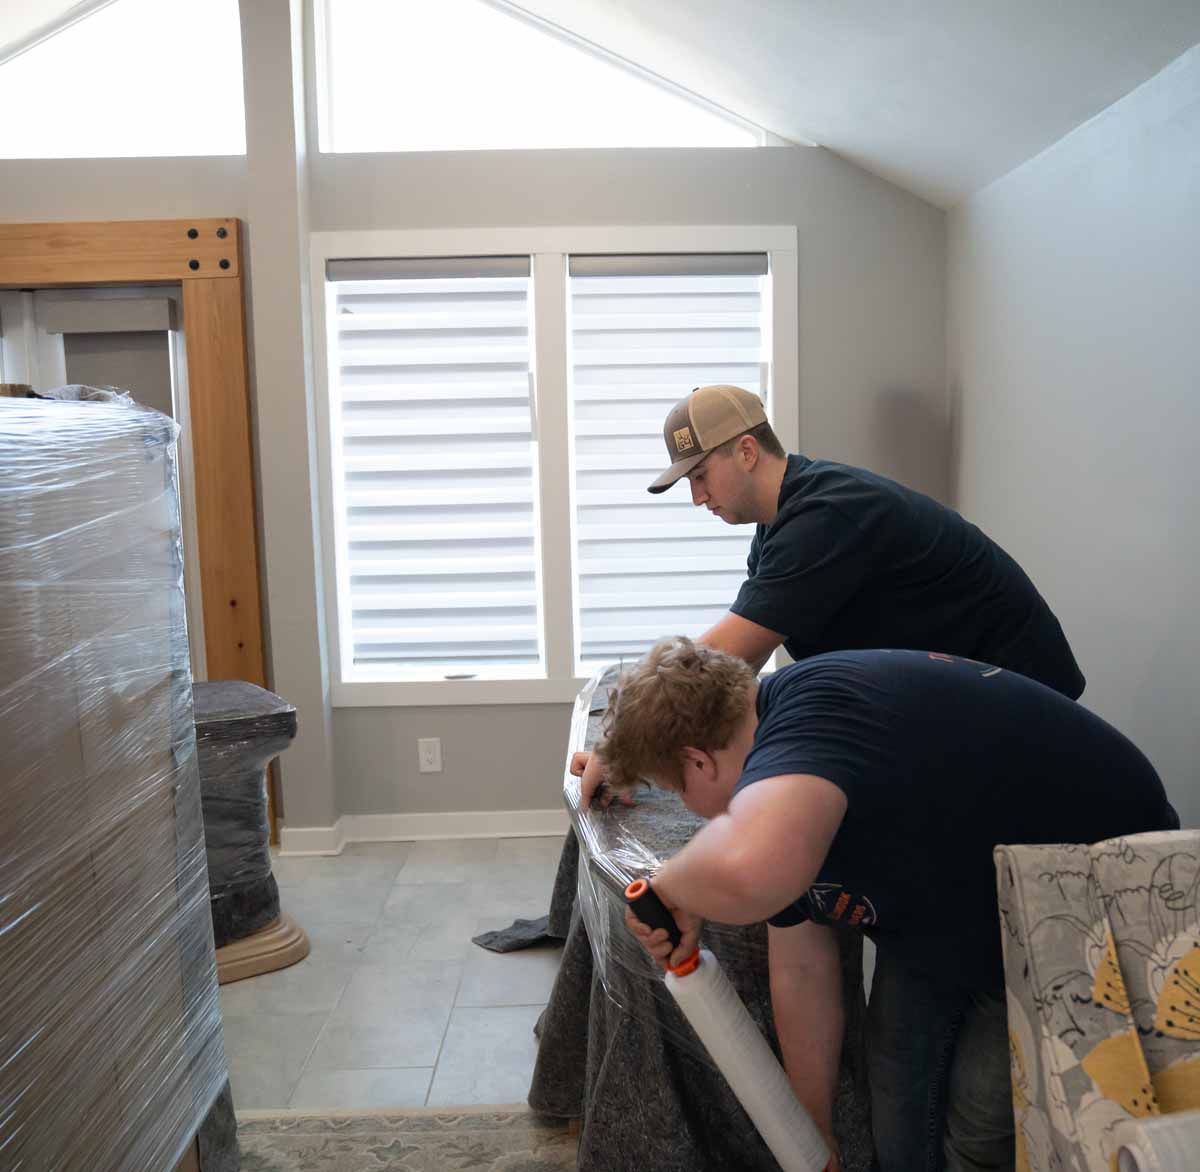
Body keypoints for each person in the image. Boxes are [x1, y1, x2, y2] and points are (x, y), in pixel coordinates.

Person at [597, 636, 1177, 1172]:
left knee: (979, 1128)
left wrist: (672, 887)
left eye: (677, 791)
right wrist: (813, 1130)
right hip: (953, 907)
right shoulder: (782, 789)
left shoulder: (814, 720)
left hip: (1081, 899)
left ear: (699, 761)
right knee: (898, 1112)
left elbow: (750, 871)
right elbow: (802, 967)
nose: (691, 809)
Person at [577, 384, 1085, 809]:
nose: (697, 496)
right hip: (958, 701)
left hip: (1019, 702)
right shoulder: (779, 530)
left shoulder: (828, 516)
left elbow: (715, 658)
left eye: (700, 475)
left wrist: (620, 744)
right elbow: (732, 677)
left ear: (747, 452)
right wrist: (653, 761)